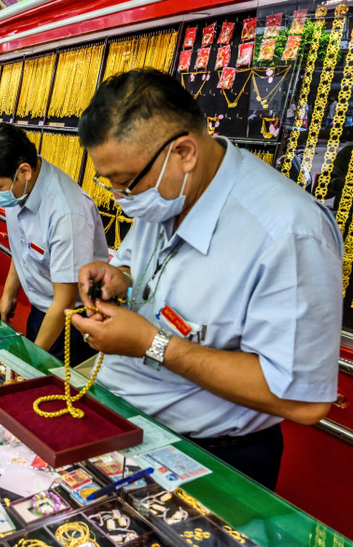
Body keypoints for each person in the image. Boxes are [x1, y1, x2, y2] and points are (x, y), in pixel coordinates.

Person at [70, 69, 343, 490]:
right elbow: (150, 269)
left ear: (184, 152)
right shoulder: (166, 192)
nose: (121, 198)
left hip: (207, 458)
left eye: (125, 184)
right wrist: (120, 277)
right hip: (119, 415)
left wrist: (152, 344)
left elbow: (303, 400)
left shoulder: (288, 233)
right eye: (110, 184)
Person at [0, 124, 108, 365]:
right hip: (42, 309)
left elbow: (64, 300)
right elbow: (24, 246)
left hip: (71, 323)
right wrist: (9, 293)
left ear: (24, 171)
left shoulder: (67, 213)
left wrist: (32, 361)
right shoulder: (19, 191)